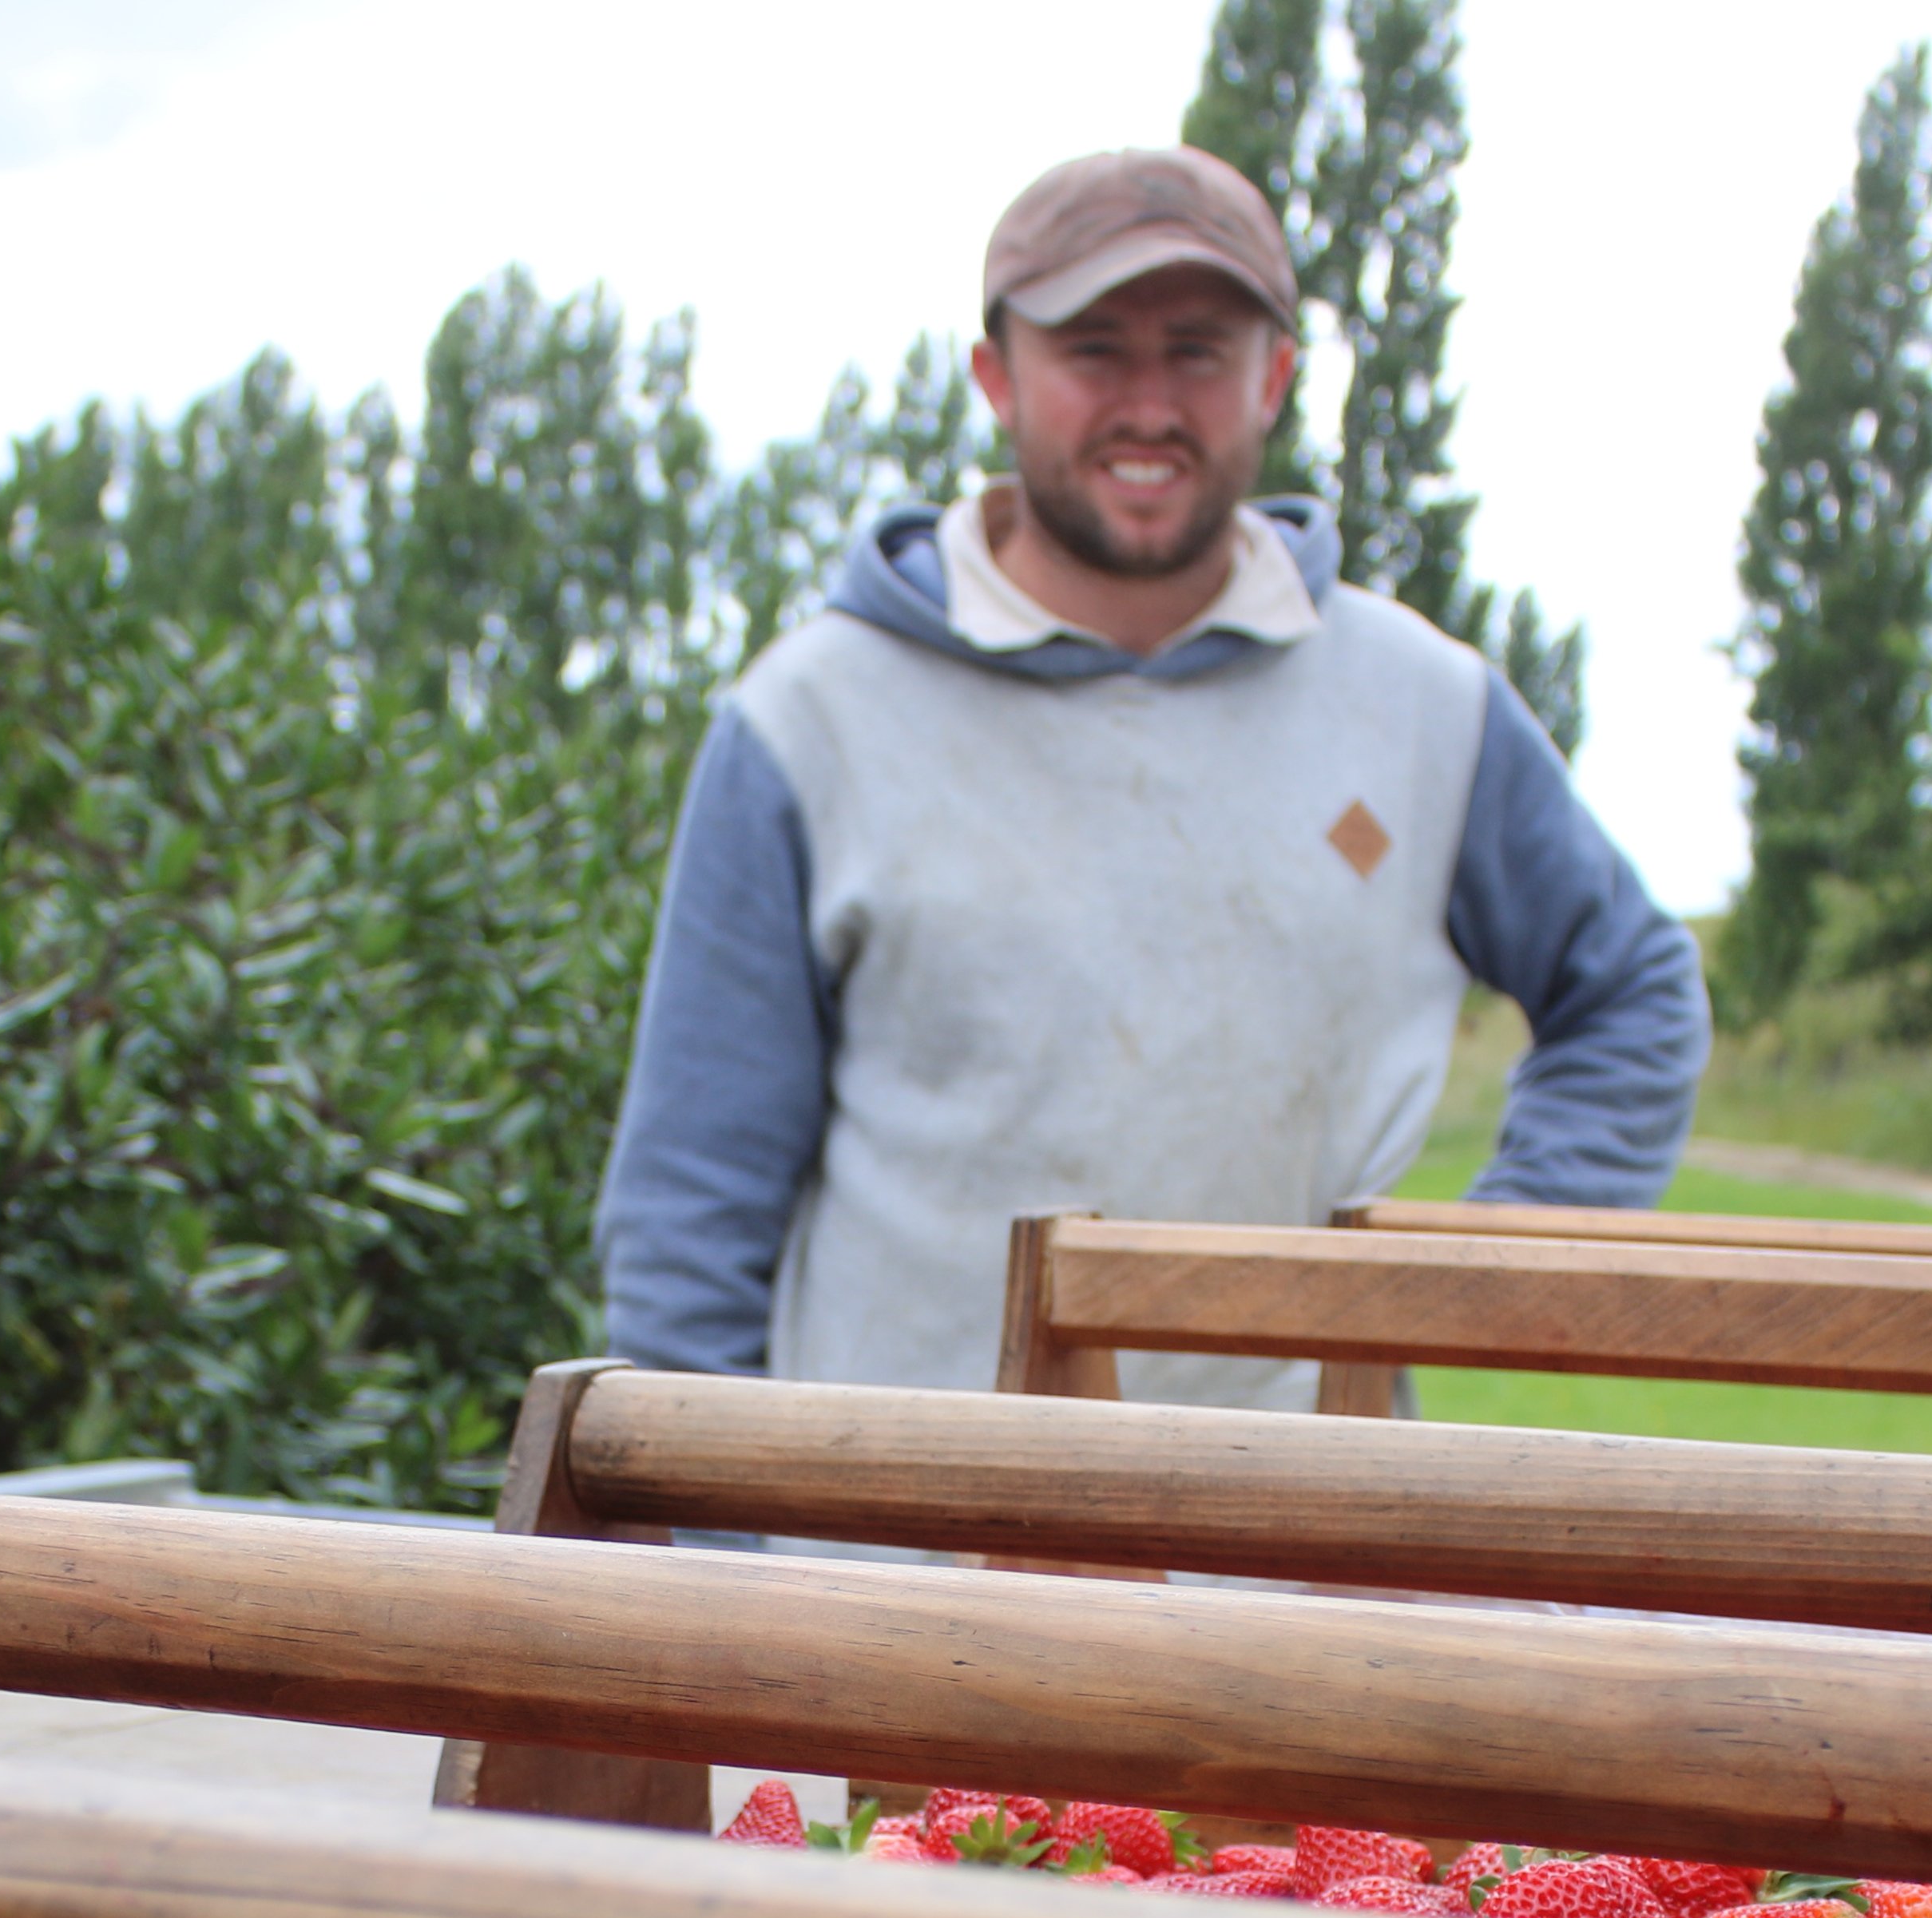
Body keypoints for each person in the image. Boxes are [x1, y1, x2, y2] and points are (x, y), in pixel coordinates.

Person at [596, 144, 1710, 1410]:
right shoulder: (808, 723)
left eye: (1198, 350)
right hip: (887, 1565)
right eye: (1093, 349)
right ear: (995, 377)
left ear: (1277, 378)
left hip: (1305, 1563)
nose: (1149, 405)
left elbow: (1632, 992)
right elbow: (688, 1219)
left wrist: (1479, 1276)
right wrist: (718, 1567)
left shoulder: (1424, 705)